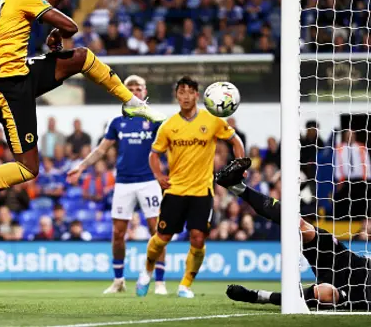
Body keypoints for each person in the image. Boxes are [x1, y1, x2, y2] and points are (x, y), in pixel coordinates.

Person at [0, 0, 165, 224]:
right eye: (54, 1)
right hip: (6, 90)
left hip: (22, 74)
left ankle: (131, 102)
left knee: (81, 57)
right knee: (28, 168)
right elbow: (71, 27)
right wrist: (56, 30)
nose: (54, 6)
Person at [136, 76, 245, 299]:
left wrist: (240, 166)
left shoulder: (212, 120)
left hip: (202, 191)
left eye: (190, 92)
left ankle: (185, 285)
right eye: (181, 92)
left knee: (198, 237)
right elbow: (153, 154)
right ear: (177, 95)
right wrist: (158, 175)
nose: (186, 96)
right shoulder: (168, 126)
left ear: (197, 95)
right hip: (175, 190)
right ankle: (147, 270)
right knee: (161, 238)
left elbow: (236, 141)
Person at [217, 158, 371, 311]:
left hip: (355, 294)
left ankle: (259, 296)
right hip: (348, 262)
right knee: (302, 227)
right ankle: (237, 187)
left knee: (325, 294)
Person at [67, 75, 167, 295]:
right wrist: (81, 167)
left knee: (156, 231)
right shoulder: (117, 122)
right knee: (118, 233)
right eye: (129, 89)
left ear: (145, 91)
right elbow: (102, 150)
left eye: (138, 88)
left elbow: (171, 146)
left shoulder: (156, 120)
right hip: (123, 183)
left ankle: (159, 281)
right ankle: (119, 280)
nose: (134, 92)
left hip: (149, 181)